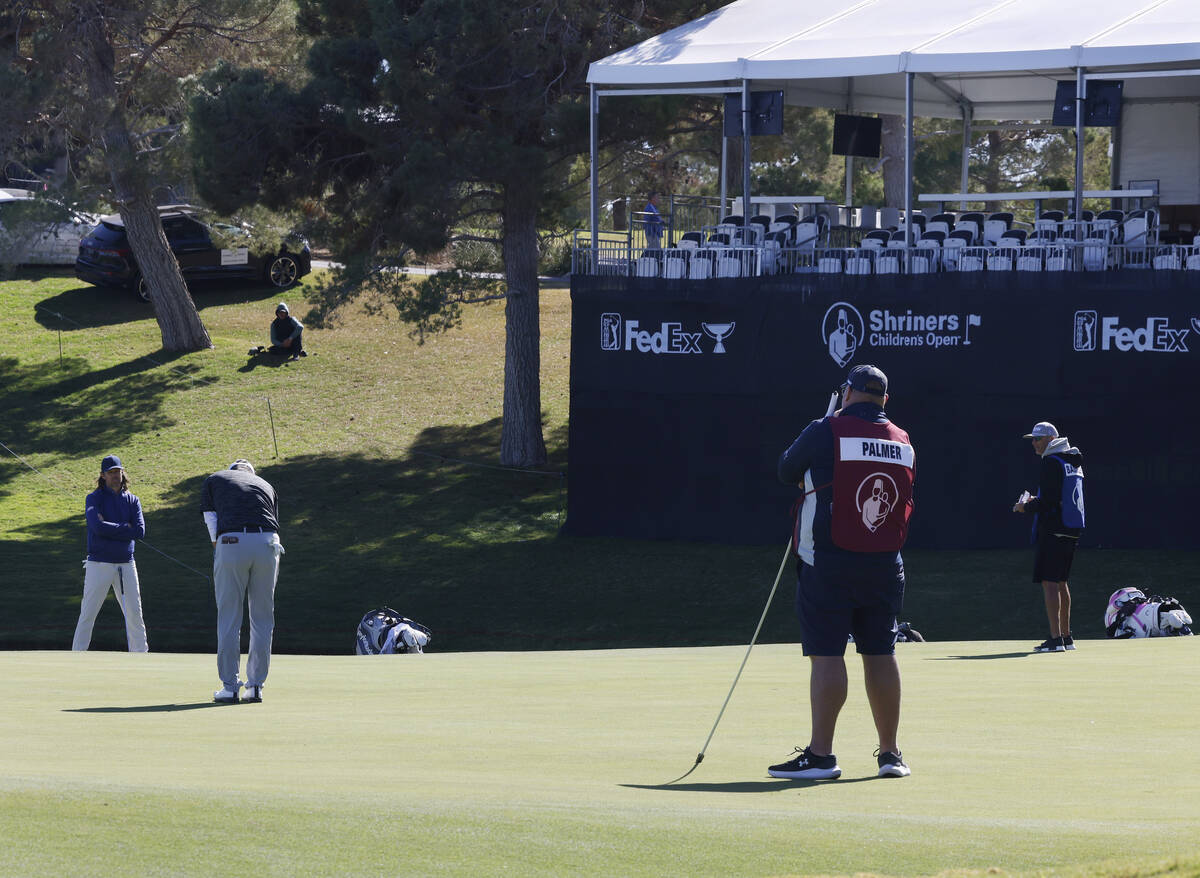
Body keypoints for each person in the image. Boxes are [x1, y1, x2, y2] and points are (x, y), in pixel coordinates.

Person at [770, 364, 915, 780]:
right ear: (884, 400)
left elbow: (785, 470)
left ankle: (821, 757)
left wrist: (829, 418)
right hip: (886, 563)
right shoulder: (903, 439)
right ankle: (890, 754)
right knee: (881, 653)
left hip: (829, 562)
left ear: (847, 392)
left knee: (827, 654)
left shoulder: (825, 429)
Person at [200, 459, 284, 703]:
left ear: (232, 470)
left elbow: (210, 519)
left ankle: (229, 686)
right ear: (251, 473)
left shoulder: (216, 479)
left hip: (232, 541)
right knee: (262, 617)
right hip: (269, 543)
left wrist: (222, 552)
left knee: (229, 616)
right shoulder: (266, 485)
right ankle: (255, 686)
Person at [1012, 421, 1084, 653]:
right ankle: (1066, 637)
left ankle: (1055, 640)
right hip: (1071, 528)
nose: (1034, 443)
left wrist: (1025, 507)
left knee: (1050, 582)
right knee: (1061, 581)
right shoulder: (1071, 461)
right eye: (1033, 439)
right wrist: (1037, 501)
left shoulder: (1051, 462)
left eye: (1038, 439)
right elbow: (1057, 496)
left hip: (1054, 528)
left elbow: (1049, 503)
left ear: (1051, 440)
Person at [73, 455, 149, 652]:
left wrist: (112, 526)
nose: (116, 476)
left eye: (118, 471)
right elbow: (97, 527)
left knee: (134, 613)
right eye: (111, 472)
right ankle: (76, 657)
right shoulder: (94, 498)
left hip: (126, 563)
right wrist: (126, 528)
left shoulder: (133, 500)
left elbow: (140, 532)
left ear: (123, 473)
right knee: (88, 613)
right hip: (99, 563)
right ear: (103, 475)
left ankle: (141, 657)